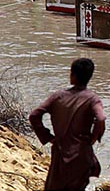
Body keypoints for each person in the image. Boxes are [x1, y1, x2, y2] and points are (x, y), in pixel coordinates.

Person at [29, 58, 106, 191]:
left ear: (73, 75)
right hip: (81, 155)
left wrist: (48, 137)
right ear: (89, 76)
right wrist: (93, 139)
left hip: (60, 152)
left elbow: (34, 115)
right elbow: (100, 119)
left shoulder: (58, 96)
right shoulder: (92, 99)